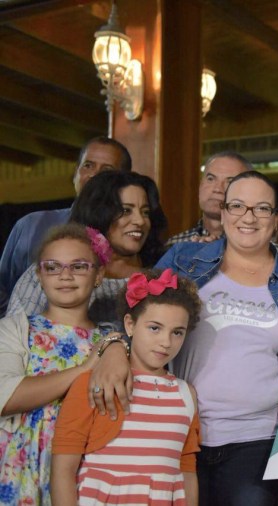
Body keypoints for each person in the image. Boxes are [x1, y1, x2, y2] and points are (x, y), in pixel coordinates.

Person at [90, 170, 278, 506]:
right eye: (238, 206)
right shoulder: (184, 260)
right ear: (223, 213)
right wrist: (113, 348)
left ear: (273, 220)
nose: (248, 217)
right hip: (174, 430)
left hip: (258, 440)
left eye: (261, 209)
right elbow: (133, 316)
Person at [51, 268, 202, 505]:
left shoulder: (186, 394)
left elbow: (187, 473)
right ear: (130, 325)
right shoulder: (93, 383)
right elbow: (62, 471)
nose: (166, 342)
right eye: (155, 328)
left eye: (177, 332)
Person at [0, 223, 109, 505]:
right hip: (19, 466)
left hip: (87, 466)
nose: (65, 276)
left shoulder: (110, 342)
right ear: (39, 274)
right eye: (52, 267)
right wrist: (83, 370)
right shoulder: (14, 330)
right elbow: (7, 396)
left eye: (79, 266)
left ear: (99, 275)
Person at [7, 170, 167, 324]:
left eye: (145, 212)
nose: (140, 221)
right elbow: (12, 336)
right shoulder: (51, 269)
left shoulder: (163, 275)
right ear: (98, 213)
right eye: (126, 210)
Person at [0, 137, 131, 316]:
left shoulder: (128, 237)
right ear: (76, 173)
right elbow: (3, 287)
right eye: (88, 165)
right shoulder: (31, 225)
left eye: (107, 170)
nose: (94, 175)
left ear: (126, 183)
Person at [166, 151, 252, 245]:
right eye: (211, 179)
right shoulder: (175, 246)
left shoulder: (258, 248)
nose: (218, 189)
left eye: (230, 182)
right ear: (200, 184)